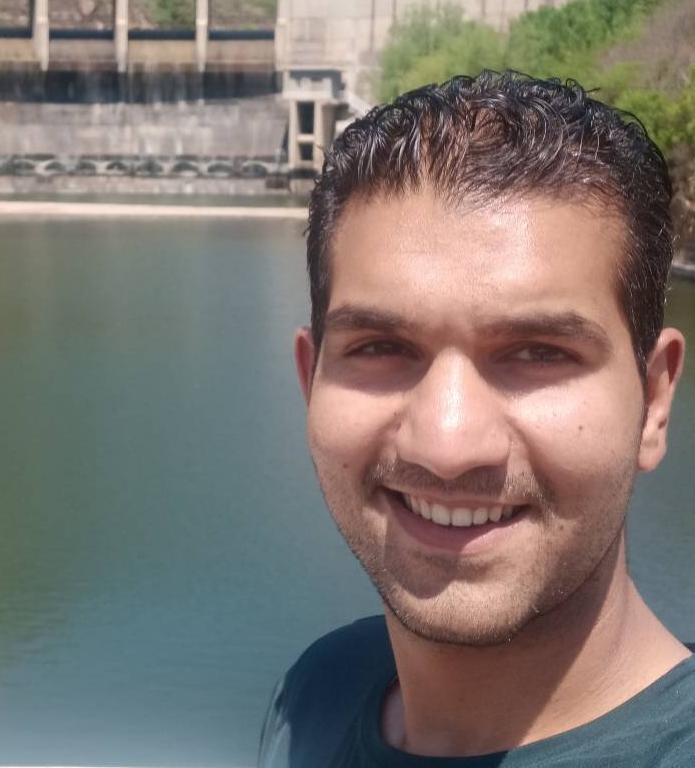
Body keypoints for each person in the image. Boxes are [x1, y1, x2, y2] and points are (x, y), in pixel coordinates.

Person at [259, 71, 693, 767]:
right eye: (380, 347)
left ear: (654, 401)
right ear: (311, 381)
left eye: (539, 352)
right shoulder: (316, 695)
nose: (448, 444)